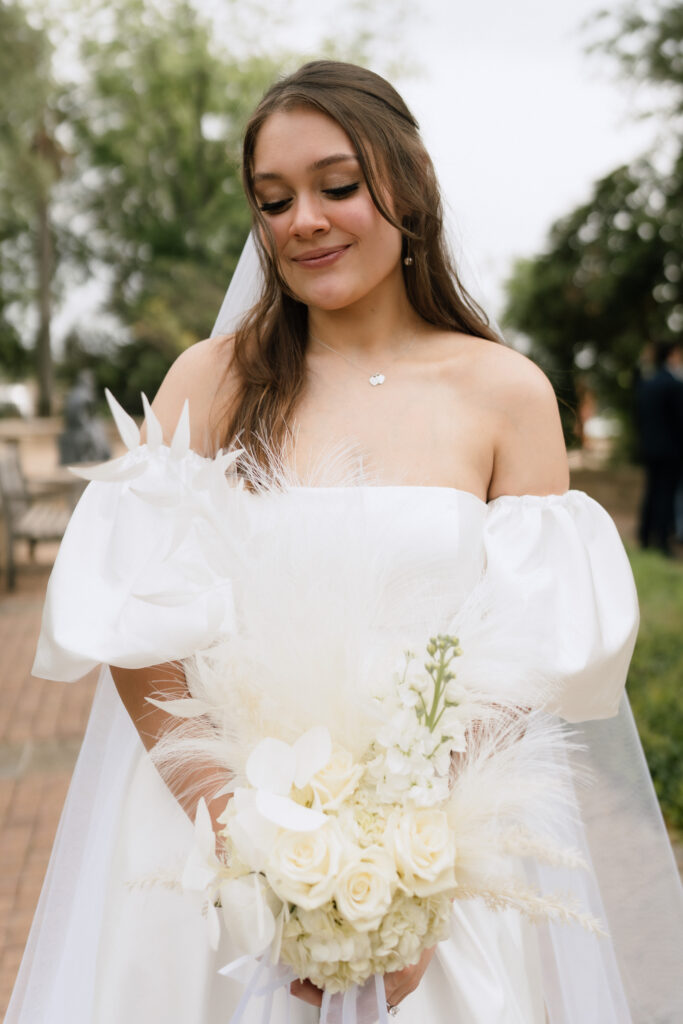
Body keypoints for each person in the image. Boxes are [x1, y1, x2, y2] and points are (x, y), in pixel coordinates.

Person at [6, 60, 683, 1024]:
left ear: (405, 186)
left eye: (337, 186)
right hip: (213, 853)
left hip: (437, 862)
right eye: (274, 201)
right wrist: (248, 849)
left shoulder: (505, 394)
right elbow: (142, 635)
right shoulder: (211, 381)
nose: (302, 222)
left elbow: (525, 655)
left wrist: (412, 860)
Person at [635, 340, 683, 556]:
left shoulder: (648, 383)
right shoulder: (673, 384)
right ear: (672, 354)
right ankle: (662, 541)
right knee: (665, 494)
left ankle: (644, 536)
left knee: (652, 491)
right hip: (670, 450)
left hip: (650, 447)